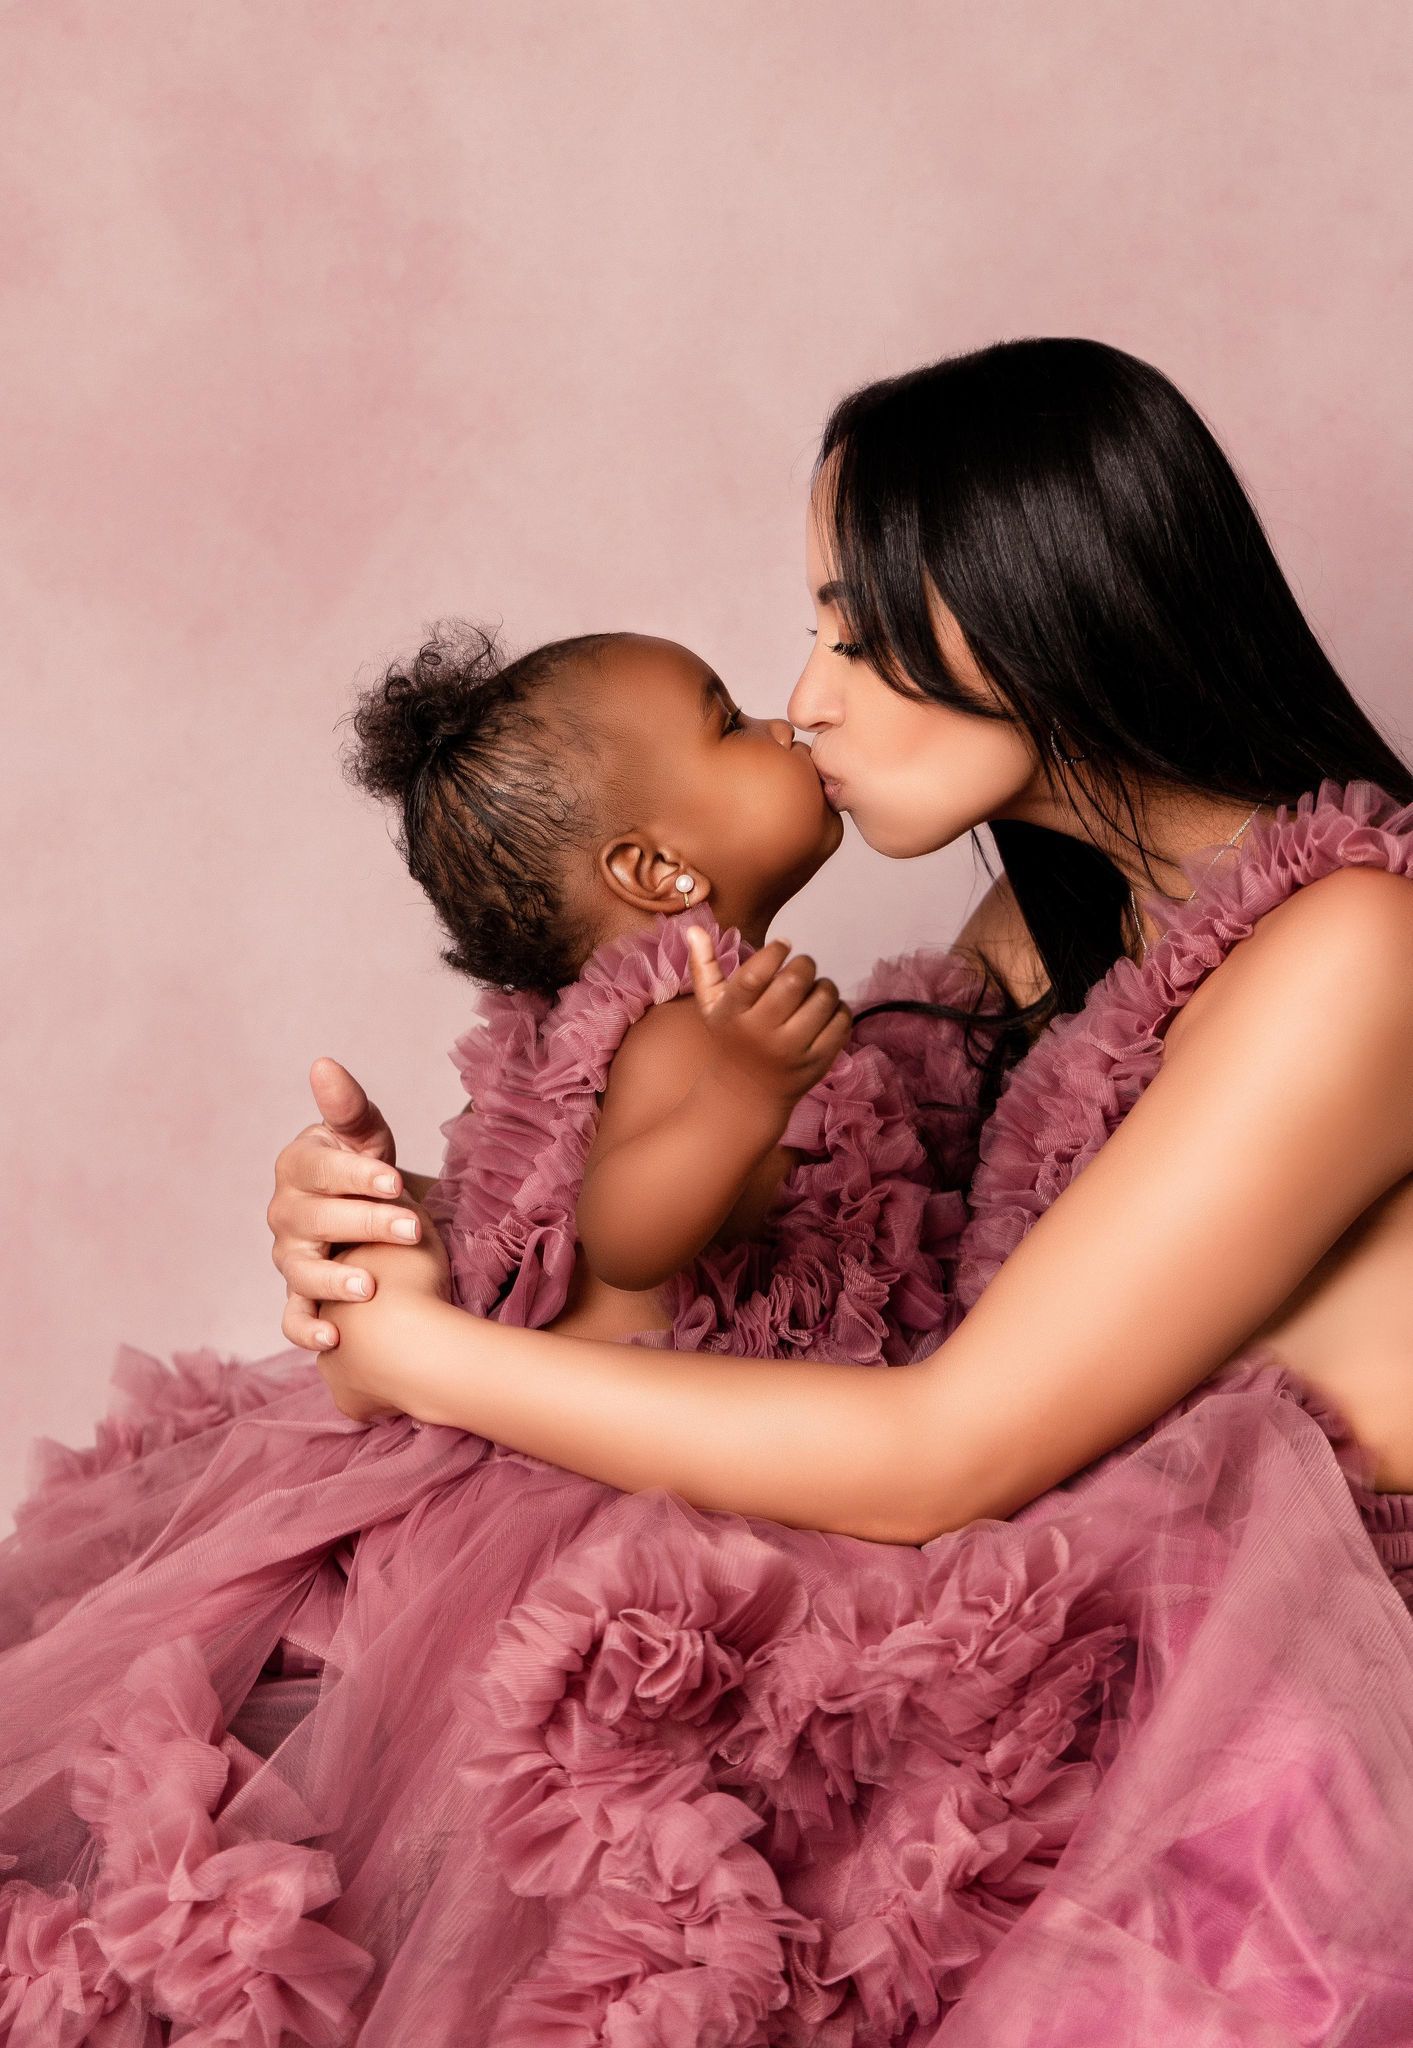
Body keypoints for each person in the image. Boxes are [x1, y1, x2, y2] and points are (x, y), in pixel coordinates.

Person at [3, 339, 1412, 2044]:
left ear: (1048, 604)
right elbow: (766, 1266)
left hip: (1255, 1736)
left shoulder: (1355, 946)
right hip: (1025, 1626)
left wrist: (422, 1359)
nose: (807, 697)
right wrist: (421, 1233)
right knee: (317, 1709)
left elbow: (944, 1449)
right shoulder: (1040, 935)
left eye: (856, 627)